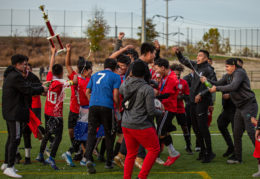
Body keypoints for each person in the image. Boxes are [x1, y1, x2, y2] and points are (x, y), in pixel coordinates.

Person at [202, 58, 258, 164]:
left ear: (233, 66)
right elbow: (217, 82)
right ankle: (238, 158)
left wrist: (217, 89)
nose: (226, 68)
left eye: (227, 66)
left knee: (251, 131)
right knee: (236, 133)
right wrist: (206, 81)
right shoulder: (227, 75)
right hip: (240, 107)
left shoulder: (239, 72)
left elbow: (233, 86)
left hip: (249, 105)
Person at [1, 54, 46, 178]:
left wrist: (39, 87)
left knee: (11, 138)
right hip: (14, 112)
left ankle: (6, 164)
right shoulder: (15, 76)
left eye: (27, 64)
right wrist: (42, 88)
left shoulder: (14, 75)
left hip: (10, 111)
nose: (26, 67)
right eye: (24, 64)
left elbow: (28, 87)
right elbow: (27, 90)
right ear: (17, 65)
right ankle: (10, 166)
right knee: (15, 138)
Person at [173, 47, 217, 163]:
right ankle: (202, 151)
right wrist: (178, 53)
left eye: (200, 55)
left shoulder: (209, 70)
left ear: (206, 58)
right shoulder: (196, 66)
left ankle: (210, 152)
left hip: (202, 102)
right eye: (197, 55)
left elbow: (212, 86)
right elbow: (184, 61)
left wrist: (201, 94)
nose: (197, 57)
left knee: (203, 128)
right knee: (196, 128)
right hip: (192, 102)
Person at [120, 60, 162, 179]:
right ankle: (142, 177)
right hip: (141, 124)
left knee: (131, 153)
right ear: (145, 72)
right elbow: (151, 111)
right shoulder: (147, 89)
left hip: (126, 123)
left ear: (132, 71)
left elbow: (122, 90)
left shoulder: (125, 83)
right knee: (154, 149)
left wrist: (129, 76)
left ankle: (127, 177)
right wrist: (161, 112)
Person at [36, 47, 72, 170]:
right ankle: (51, 158)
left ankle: (40, 154)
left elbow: (50, 67)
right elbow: (73, 82)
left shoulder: (50, 79)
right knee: (58, 137)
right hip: (56, 114)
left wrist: (53, 54)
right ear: (61, 72)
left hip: (47, 112)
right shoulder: (61, 82)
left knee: (47, 133)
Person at [84, 58, 121, 174]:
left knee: (91, 133)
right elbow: (115, 96)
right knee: (109, 134)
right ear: (115, 68)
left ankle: (88, 158)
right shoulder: (115, 77)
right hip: (107, 106)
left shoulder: (95, 75)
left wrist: (92, 102)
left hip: (93, 106)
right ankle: (109, 162)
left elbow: (87, 92)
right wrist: (118, 108)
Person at [62, 44, 93, 167]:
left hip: (81, 111)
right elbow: (68, 65)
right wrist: (68, 51)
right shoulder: (82, 80)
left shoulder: (79, 78)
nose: (92, 71)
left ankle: (84, 156)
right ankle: (78, 154)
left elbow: (68, 65)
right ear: (85, 71)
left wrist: (68, 51)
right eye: (91, 69)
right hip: (80, 111)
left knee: (81, 135)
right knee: (79, 134)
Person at [154, 58, 180, 166]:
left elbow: (167, 95)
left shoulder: (172, 78)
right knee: (163, 132)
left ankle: (159, 155)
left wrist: (153, 98)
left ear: (163, 68)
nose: (155, 71)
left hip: (168, 109)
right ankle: (173, 153)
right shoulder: (166, 77)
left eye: (156, 69)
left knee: (160, 132)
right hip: (164, 108)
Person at [170, 63, 192, 154]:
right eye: (175, 74)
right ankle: (168, 147)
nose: (177, 76)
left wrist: (181, 96)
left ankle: (188, 146)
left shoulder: (184, 82)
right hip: (169, 108)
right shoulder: (168, 81)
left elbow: (187, 95)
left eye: (179, 74)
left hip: (180, 108)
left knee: (185, 127)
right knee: (165, 128)